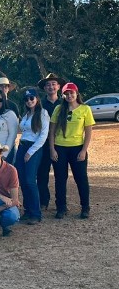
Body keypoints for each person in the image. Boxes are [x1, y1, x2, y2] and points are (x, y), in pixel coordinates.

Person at [49, 82, 94, 219]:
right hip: (60, 148)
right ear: (63, 95)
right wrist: (52, 149)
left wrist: (84, 150)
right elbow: (51, 132)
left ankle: (85, 207)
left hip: (77, 148)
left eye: (71, 93)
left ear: (76, 93)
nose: (69, 95)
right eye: (66, 93)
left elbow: (88, 132)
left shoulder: (85, 109)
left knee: (81, 179)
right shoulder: (58, 109)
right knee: (60, 179)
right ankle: (61, 207)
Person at [15, 88, 50, 224]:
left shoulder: (42, 113)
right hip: (22, 146)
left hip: (33, 148)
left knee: (30, 180)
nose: (29, 101)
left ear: (37, 99)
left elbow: (43, 136)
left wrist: (31, 151)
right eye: (27, 99)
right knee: (22, 180)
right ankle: (28, 210)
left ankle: (36, 213)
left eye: (32, 98)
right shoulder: (26, 115)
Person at [37, 73, 66, 210]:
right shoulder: (39, 104)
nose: (51, 86)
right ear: (44, 88)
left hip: (60, 144)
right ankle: (44, 201)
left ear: (59, 86)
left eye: (53, 84)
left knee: (61, 175)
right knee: (42, 174)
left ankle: (61, 204)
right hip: (43, 144)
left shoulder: (65, 103)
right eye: (48, 84)